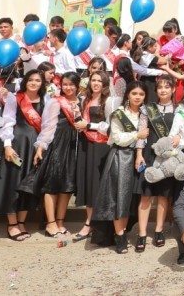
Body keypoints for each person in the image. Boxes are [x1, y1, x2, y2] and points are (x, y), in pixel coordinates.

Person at [18, 71, 83, 237]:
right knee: (52, 184)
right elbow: (48, 126)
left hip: (74, 146)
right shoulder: (55, 101)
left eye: (71, 84)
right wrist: (41, 146)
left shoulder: (82, 102)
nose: (68, 87)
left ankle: (61, 222)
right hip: (58, 145)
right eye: (65, 84)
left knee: (67, 186)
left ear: (77, 85)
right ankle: (51, 223)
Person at [93, 81, 150, 254]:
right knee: (120, 197)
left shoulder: (143, 113)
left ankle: (124, 231)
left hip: (136, 157)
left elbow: (143, 138)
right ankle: (119, 236)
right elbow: (117, 138)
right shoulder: (119, 113)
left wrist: (139, 150)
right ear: (128, 95)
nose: (138, 97)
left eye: (141, 94)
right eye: (134, 94)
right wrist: (137, 134)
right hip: (120, 157)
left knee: (130, 198)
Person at [0, 69, 49, 241]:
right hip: (17, 145)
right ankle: (12, 224)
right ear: (25, 81)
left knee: (28, 184)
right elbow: (8, 122)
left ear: (42, 83)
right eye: (31, 80)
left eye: (37, 80)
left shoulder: (46, 100)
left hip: (34, 148)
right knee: (13, 183)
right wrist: (7, 145)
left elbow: (47, 126)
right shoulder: (14, 98)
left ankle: (22, 222)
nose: (34, 83)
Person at [135, 75, 177, 252]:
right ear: (156, 90)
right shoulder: (148, 109)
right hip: (150, 154)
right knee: (145, 195)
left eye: (167, 87)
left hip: (167, 157)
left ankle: (159, 229)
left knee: (163, 195)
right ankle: (142, 233)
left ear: (173, 89)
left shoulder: (178, 109)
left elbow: (180, 131)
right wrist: (139, 154)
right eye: (160, 87)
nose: (163, 90)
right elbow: (141, 132)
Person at [73, 70, 116, 242]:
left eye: (99, 80)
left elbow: (111, 125)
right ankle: (88, 221)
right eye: (93, 80)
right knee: (89, 184)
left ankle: (100, 223)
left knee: (99, 184)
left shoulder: (110, 101)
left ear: (105, 84)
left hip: (102, 146)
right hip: (87, 146)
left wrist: (89, 125)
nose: (96, 83)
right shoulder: (85, 100)